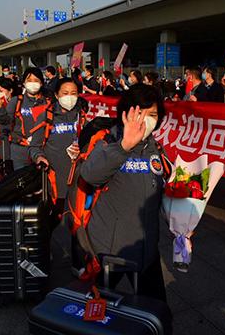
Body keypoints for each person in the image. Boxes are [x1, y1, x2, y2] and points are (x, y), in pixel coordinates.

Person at [80, 84, 168, 301]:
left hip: (146, 248)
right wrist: (124, 146)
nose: (145, 120)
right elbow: (90, 175)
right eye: (139, 113)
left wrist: (182, 225)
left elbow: (159, 191)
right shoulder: (108, 141)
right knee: (99, 308)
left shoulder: (154, 148)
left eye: (152, 114)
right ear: (126, 113)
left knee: (157, 310)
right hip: (111, 250)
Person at [29, 78, 85, 218]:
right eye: (65, 93)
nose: (69, 97)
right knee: (56, 221)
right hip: (55, 184)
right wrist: (39, 157)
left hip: (80, 184)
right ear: (56, 95)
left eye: (73, 93)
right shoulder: (47, 116)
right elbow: (34, 146)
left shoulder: (83, 116)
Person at [0, 67, 50, 170]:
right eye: (29, 80)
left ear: (41, 83)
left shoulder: (48, 103)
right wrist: (0, 109)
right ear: (24, 83)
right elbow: (6, 122)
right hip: (20, 150)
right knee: (20, 177)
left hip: (41, 150)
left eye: (36, 80)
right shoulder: (17, 101)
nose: (32, 83)